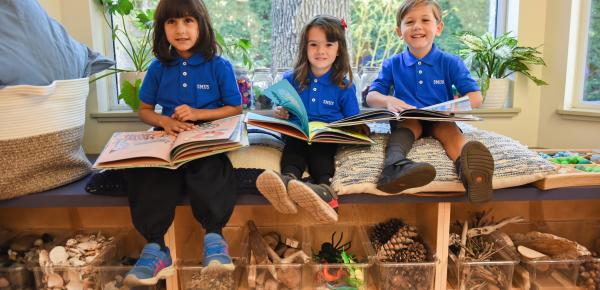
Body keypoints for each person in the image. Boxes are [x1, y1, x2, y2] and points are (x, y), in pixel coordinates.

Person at [122, 0, 242, 285]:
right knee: (149, 170)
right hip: (168, 134)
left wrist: (199, 114)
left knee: (212, 168)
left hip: (207, 134)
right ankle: (155, 247)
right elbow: (145, 110)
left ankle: (214, 238)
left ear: (202, 25)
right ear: (162, 29)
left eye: (188, 21)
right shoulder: (158, 68)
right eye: (172, 22)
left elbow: (235, 108)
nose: (180, 29)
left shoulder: (218, 65)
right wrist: (164, 122)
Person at [366, 0, 494, 203]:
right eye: (409, 22)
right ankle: (394, 167)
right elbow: (371, 97)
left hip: (440, 119)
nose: (417, 26)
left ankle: (472, 175)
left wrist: (451, 108)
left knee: (449, 130)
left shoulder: (450, 62)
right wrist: (389, 100)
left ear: (439, 28)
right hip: (408, 119)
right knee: (408, 124)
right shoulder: (392, 63)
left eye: (425, 20)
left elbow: (475, 97)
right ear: (399, 31)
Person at [256, 15, 361, 223]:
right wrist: (281, 111)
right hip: (298, 132)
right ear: (305, 47)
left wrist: (350, 130)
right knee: (294, 149)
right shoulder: (292, 79)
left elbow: (353, 120)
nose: (321, 51)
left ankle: (325, 192)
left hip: (327, 137)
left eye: (328, 44)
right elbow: (282, 106)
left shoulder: (344, 85)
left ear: (338, 49)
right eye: (314, 45)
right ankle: (287, 184)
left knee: (321, 155)